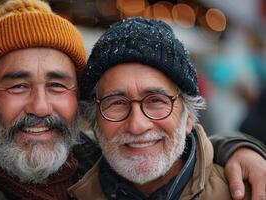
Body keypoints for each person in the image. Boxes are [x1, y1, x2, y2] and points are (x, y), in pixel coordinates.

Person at [0, 1, 266, 200]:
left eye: (57, 85)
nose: (40, 106)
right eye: (18, 86)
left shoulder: (89, 163)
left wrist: (238, 148)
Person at [67, 18, 258, 199]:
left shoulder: (249, 192)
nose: (137, 125)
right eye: (116, 103)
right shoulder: (66, 190)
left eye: (156, 101)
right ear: (95, 122)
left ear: (188, 116)